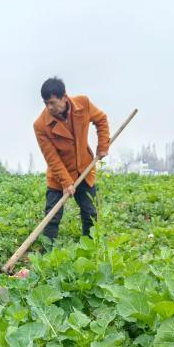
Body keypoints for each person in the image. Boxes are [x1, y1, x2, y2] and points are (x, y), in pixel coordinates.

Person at [33, 77, 110, 240]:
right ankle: (47, 255)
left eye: (53, 102)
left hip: (84, 170)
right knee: (51, 218)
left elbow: (101, 120)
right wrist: (66, 182)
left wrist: (103, 146)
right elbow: (51, 158)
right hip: (58, 177)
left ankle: (89, 250)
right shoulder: (40, 125)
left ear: (64, 97)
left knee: (91, 213)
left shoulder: (83, 104)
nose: (49, 107)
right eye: (46, 103)